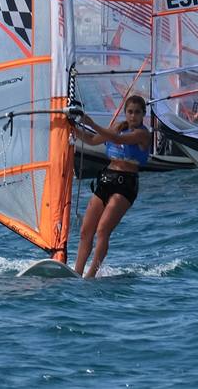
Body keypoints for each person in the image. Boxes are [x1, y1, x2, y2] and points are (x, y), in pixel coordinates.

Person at [70, 94, 151, 279]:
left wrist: (89, 121)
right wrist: (72, 126)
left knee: (102, 230)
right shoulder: (118, 126)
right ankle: (76, 272)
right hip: (106, 179)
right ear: (125, 113)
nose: (133, 116)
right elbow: (91, 140)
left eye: (137, 113)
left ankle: (91, 275)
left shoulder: (142, 134)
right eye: (130, 112)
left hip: (126, 185)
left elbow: (117, 139)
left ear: (143, 115)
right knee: (85, 231)